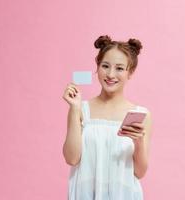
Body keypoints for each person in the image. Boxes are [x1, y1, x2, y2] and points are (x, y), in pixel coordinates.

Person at [62, 35, 152, 200]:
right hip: (85, 194)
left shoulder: (140, 115)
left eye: (119, 68)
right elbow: (71, 158)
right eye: (105, 66)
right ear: (97, 67)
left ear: (130, 72)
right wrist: (74, 108)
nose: (111, 74)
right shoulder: (81, 109)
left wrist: (138, 142)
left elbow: (140, 172)